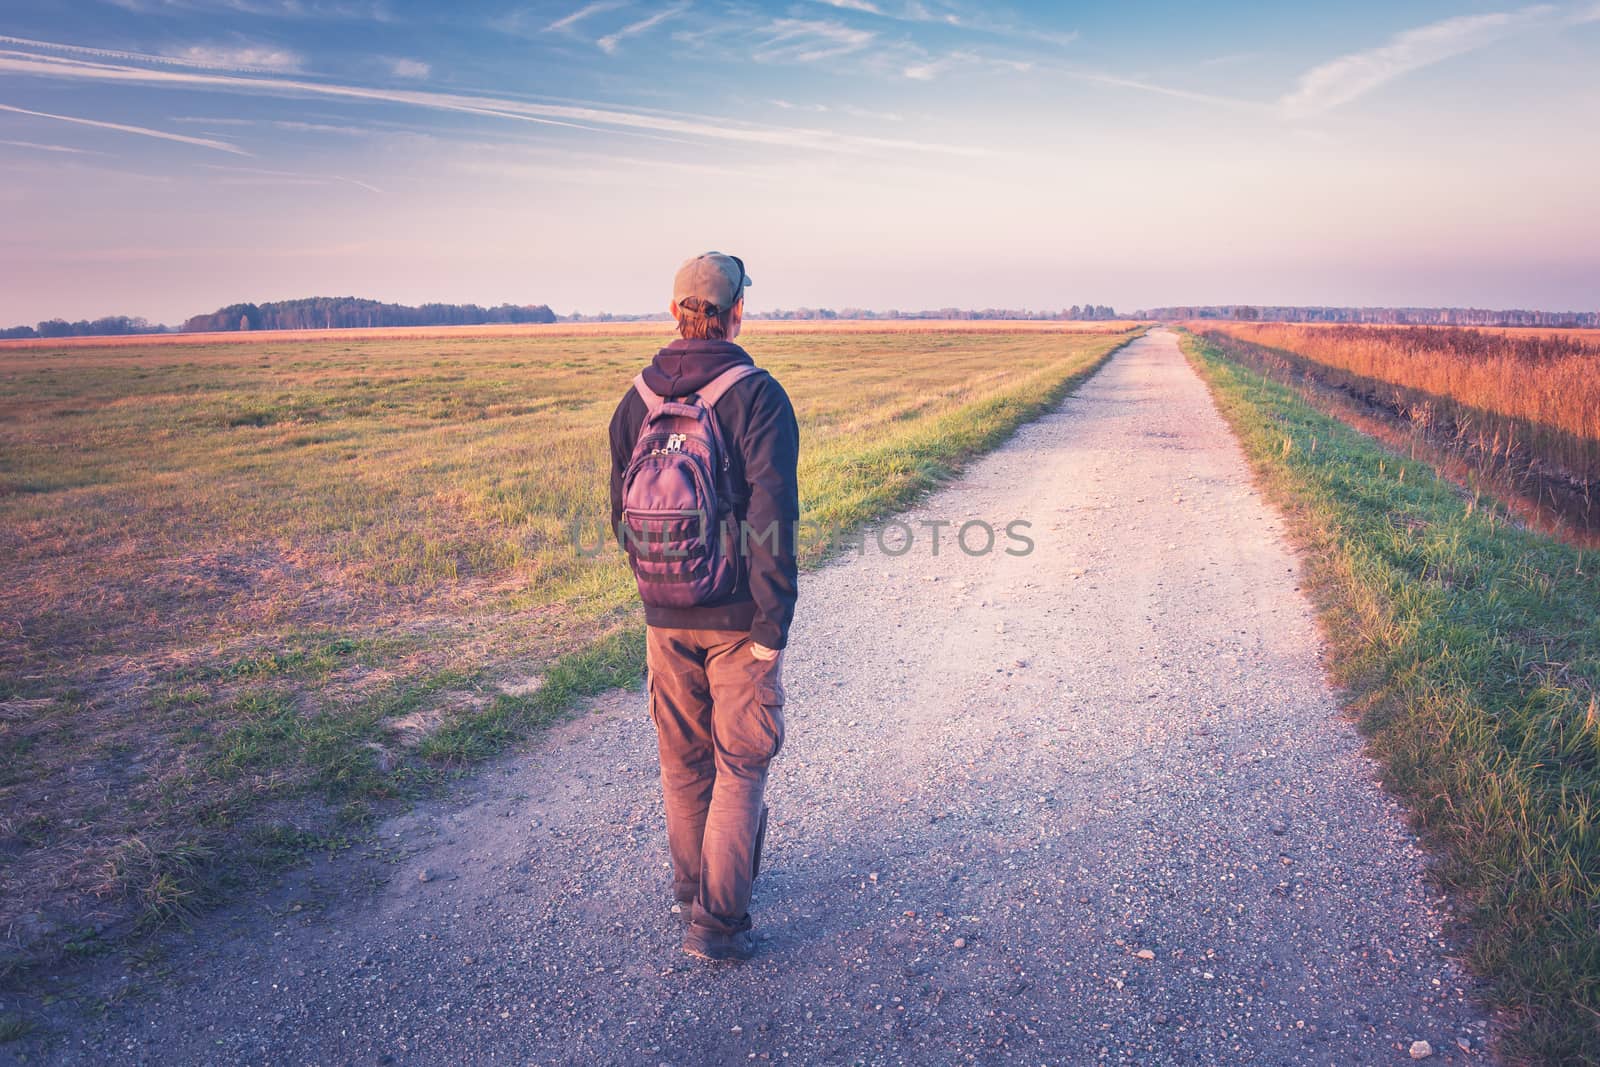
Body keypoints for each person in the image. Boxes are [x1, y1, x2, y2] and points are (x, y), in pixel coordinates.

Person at [609, 252, 800, 961]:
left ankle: (695, 891)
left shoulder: (636, 398)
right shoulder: (757, 394)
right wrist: (771, 622)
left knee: (683, 760)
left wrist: (659, 584)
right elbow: (774, 515)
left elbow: (618, 512)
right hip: (735, 616)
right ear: (738, 310)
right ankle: (717, 924)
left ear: (674, 312)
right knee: (742, 761)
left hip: (663, 612)